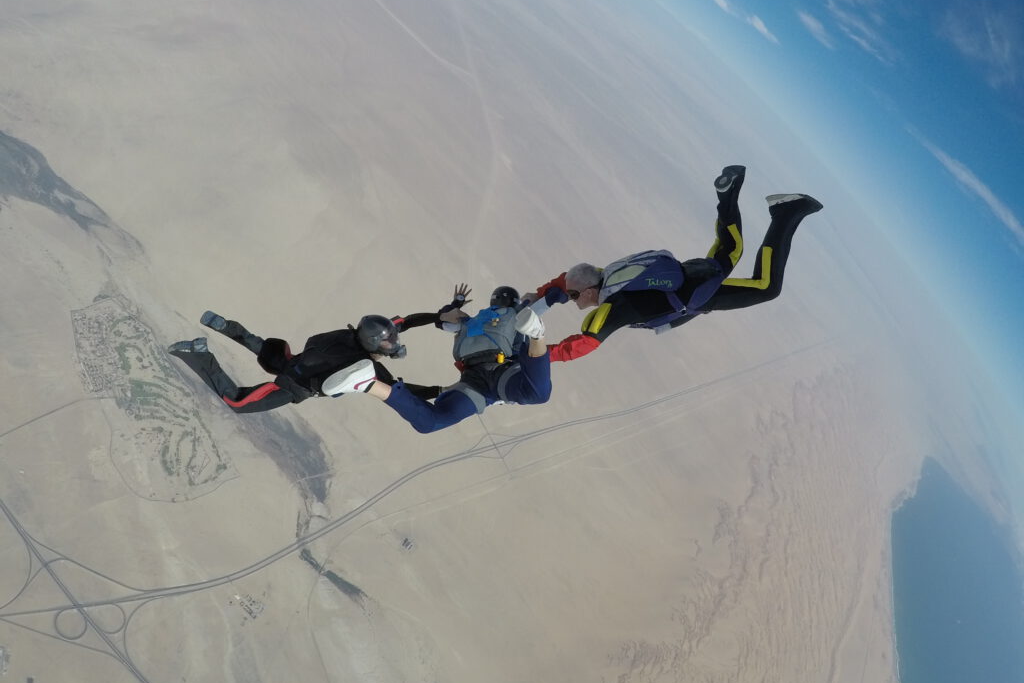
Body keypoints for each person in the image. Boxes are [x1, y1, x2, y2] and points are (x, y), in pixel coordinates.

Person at [525, 164, 823, 361]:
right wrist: (540, 296)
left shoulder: (611, 308)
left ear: (590, 291)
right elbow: (569, 280)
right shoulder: (607, 275)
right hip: (691, 272)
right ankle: (728, 193)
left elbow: (584, 343)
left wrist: (539, 355)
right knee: (730, 248)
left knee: (767, 287)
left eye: (576, 296)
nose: (574, 301)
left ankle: (786, 213)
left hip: (699, 293)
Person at [166, 287, 472, 413]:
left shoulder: (355, 336)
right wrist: (443, 390)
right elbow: (401, 391)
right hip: (293, 386)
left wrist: (445, 312)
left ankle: (225, 326)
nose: (392, 342)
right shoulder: (366, 364)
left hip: (292, 360)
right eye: (387, 341)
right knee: (237, 403)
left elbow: (405, 322)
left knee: (260, 346)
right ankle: (198, 353)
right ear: (372, 344)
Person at [325, 286, 551, 433]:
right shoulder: (517, 314)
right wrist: (547, 296)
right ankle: (538, 335)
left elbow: (441, 321)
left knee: (431, 422)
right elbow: (548, 300)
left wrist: (457, 303)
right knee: (537, 393)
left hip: (474, 382)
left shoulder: (469, 320)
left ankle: (368, 383)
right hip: (500, 374)